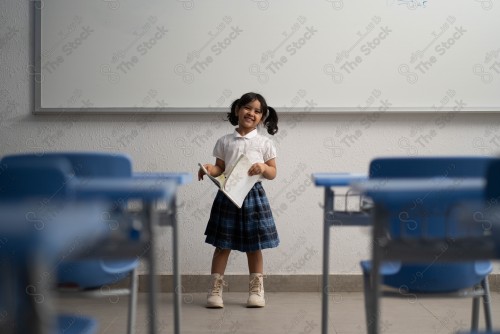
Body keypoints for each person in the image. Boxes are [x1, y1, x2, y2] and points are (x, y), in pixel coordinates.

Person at [198, 92, 279, 308]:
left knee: (254, 245)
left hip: (253, 197)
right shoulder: (224, 141)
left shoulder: (264, 143)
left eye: (257, 111)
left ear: (262, 117)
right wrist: (209, 169)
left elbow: (273, 172)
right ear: (237, 110)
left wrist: (263, 167)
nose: (251, 113)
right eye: (247, 108)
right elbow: (220, 169)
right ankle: (215, 290)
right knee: (222, 244)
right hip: (228, 196)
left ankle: (256, 290)